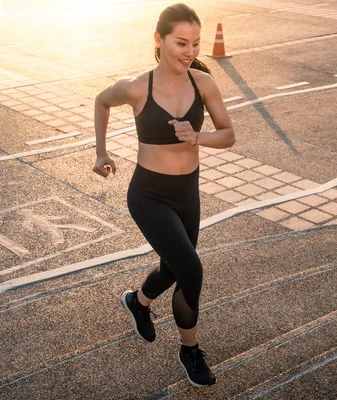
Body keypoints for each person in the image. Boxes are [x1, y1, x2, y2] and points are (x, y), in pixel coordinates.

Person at [92, 3, 235, 388]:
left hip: (187, 193)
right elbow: (102, 100)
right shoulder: (138, 87)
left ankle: (137, 303)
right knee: (191, 270)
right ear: (159, 40)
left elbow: (228, 134)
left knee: (174, 267)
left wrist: (197, 137)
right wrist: (101, 152)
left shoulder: (203, 83)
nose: (189, 52)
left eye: (195, 44)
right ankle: (189, 350)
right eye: (181, 43)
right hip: (149, 194)